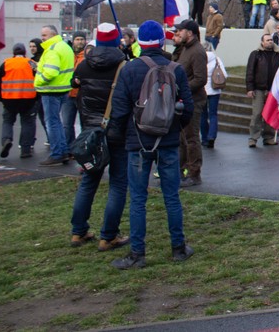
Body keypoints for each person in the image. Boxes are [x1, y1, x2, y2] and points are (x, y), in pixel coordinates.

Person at [109, 20, 195, 269]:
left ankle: (138, 254)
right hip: (167, 141)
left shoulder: (129, 69)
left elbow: (120, 110)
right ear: (161, 41)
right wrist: (173, 128)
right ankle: (178, 248)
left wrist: (127, 134)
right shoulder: (175, 69)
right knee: (171, 196)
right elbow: (186, 107)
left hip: (137, 142)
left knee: (137, 198)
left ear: (140, 42)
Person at [69, 23, 129, 251]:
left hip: (90, 133)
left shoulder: (83, 66)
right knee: (118, 183)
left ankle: (78, 231)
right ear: (116, 41)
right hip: (116, 131)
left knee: (89, 181)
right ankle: (109, 236)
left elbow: (74, 87)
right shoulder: (123, 67)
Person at [172, 20, 208, 187]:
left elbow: (200, 79)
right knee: (181, 138)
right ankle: (181, 171)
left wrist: (181, 88)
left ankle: (195, 174)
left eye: (182, 30)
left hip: (193, 101)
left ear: (191, 33)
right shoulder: (185, 49)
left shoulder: (198, 51)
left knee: (191, 138)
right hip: (183, 100)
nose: (179, 33)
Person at [34, 24, 74, 166]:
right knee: (57, 123)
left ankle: (57, 153)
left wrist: (38, 81)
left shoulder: (52, 49)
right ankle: (63, 152)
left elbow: (51, 72)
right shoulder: (65, 47)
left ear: (52, 35)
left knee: (52, 123)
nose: (42, 38)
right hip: (63, 89)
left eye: (44, 35)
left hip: (51, 90)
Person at [0, 43, 37, 159]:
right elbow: (39, 80)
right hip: (28, 99)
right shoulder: (31, 63)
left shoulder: (6, 63)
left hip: (9, 100)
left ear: (13, 53)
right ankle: (25, 150)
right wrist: (36, 98)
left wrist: (1, 98)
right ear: (24, 52)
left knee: (8, 122)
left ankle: (6, 140)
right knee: (27, 123)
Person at [245, 33, 279, 147]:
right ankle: (253, 138)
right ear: (262, 42)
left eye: (271, 40)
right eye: (267, 40)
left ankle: (268, 137)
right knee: (257, 114)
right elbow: (250, 71)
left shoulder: (278, 56)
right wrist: (249, 88)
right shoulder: (256, 54)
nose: (270, 42)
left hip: (272, 91)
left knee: (270, 114)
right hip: (258, 89)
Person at [61, 30, 87, 145]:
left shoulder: (87, 56)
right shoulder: (68, 55)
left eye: (82, 39)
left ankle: (82, 148)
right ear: (73, 41)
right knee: (67, 124)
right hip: (68, 93)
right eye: (77, 39)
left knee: (84, 124)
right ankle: (69, 148)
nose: (80, 42)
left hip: (82, 94)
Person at [202, 44, 226, 149]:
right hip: (214, 90)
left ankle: (204, 138)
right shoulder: (216, 59)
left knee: (203, 115)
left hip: (201, 90)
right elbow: (224, 74)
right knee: (213, 115)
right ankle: (212, 136)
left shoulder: (199, 59)